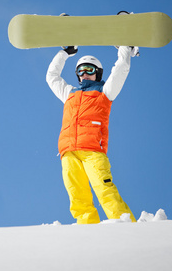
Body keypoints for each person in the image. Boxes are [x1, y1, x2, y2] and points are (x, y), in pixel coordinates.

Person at [46, 43, 139, 224]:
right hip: (68, 153)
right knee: (77, 197)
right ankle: (87, 232)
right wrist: (65, 53)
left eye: (88, 69)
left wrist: (125, 49)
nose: (84, 73)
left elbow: (120, 70)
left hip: (92, 152)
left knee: (105, 191)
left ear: (98, 72)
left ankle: (127, 228)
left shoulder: (104, 93)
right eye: (80, 71)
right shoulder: (69, 93)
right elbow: (51, 77)